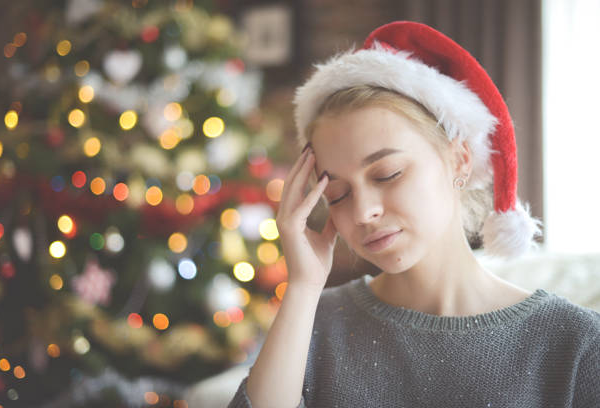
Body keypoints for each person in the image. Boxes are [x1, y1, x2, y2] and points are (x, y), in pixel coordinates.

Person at [227, 21, 600, 408]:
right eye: (337, 194)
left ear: (459, 160)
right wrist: (303, 288)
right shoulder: (314, 324)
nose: (364, 212)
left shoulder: (575, 344)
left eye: (388, 174)